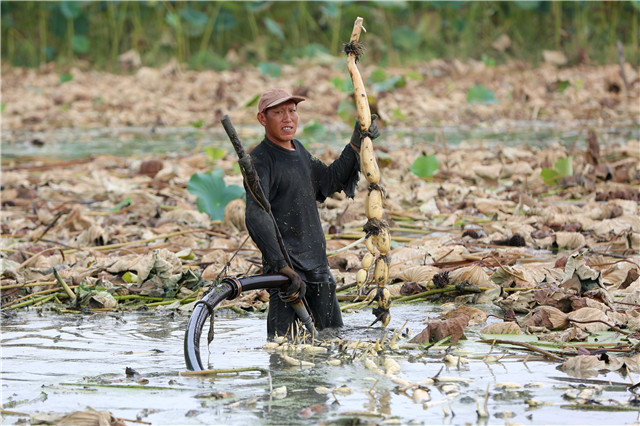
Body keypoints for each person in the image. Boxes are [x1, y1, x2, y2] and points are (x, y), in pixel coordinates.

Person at [244, 88, 380, 339]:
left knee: (333, 337)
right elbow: (255, 215)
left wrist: (356, 143)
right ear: (262, 119)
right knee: (282, 348)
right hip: (286, 272)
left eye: (292, 111)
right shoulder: (260, 159)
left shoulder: (299, 150)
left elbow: (328, 181)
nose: (288, 118)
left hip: (317, 265)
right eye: (278, 112)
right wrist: (281, 266)